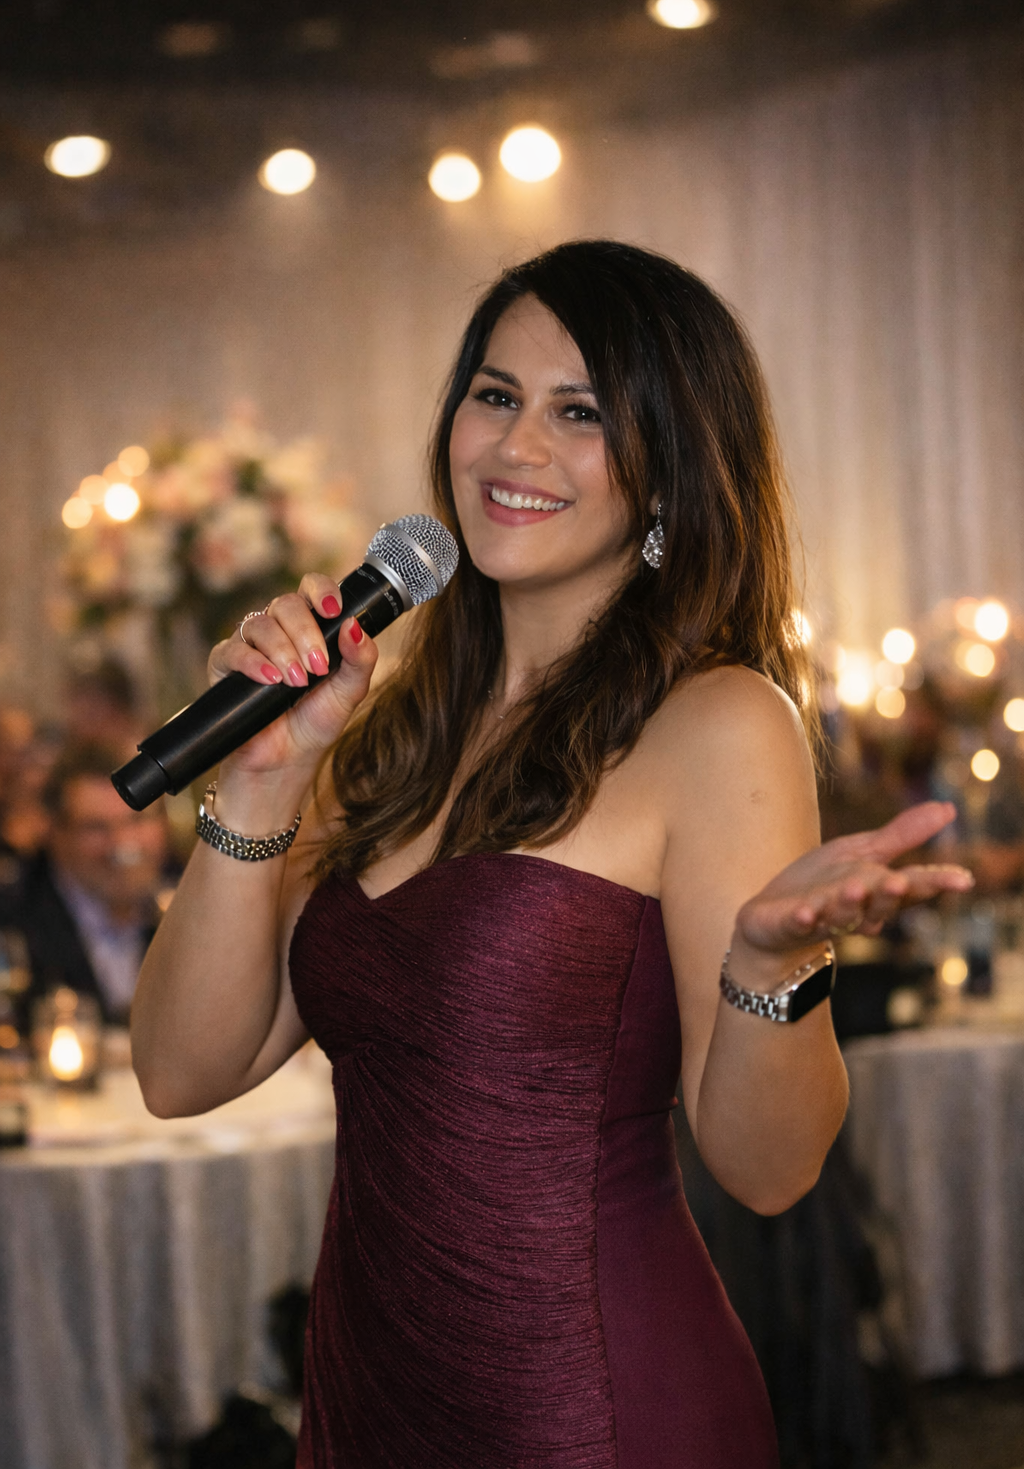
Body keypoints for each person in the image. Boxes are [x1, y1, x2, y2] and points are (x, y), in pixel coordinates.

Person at [131, 242, 972, 1468]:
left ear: (672, 470)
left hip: (589, 1407)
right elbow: (181, 1070)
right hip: (368, 1397)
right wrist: (265, 769)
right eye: (495, 394)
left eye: (579, 413)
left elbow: (769, 1171)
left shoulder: (717, 721)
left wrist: (767, 962)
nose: (515, 448)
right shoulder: (385, 729)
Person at [2, 745, 171, 1025]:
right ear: (55, 833)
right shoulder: (14, 921)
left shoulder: (189, 906)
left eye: (137, 820)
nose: (122, 844)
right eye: (96, 828)